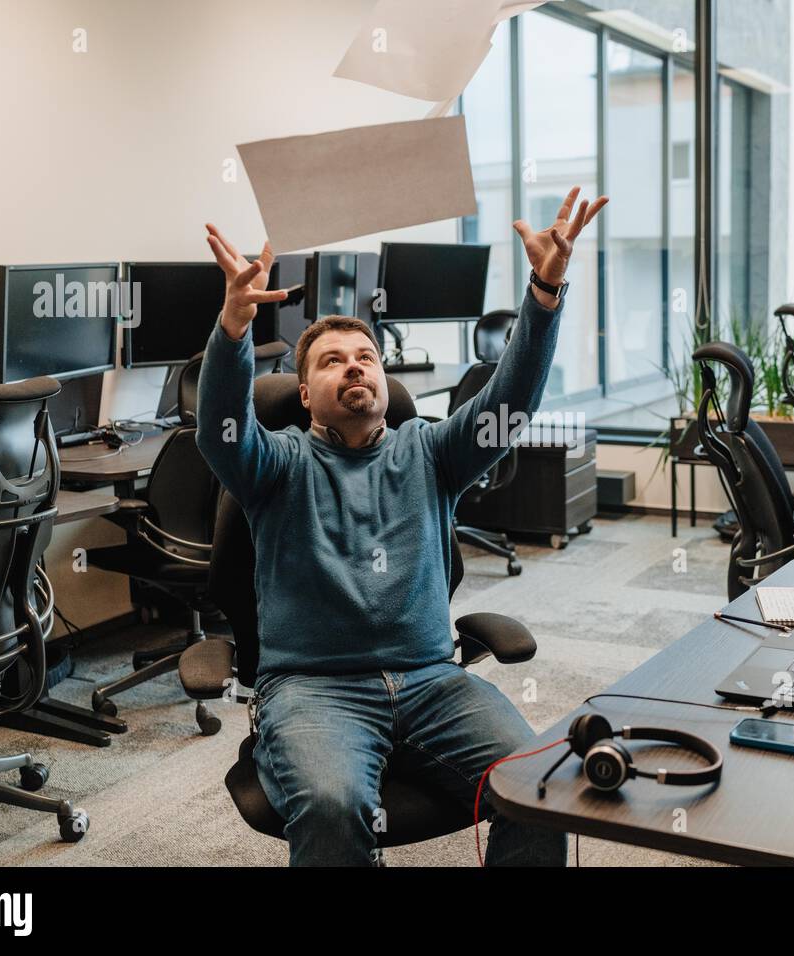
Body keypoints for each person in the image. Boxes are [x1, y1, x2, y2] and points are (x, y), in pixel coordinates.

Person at [196, 187, 607, 865]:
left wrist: (545, 291)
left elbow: (511, 400)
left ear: (384, 379)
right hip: (312, 690)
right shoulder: (274, 466)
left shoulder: (432, 452)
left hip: (431, 681)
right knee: (333, 807)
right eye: (331, 361)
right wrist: (233, 328)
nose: (354, 365)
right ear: (303, 396)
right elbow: (220, 430)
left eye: (365, 357)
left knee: (539, 783)